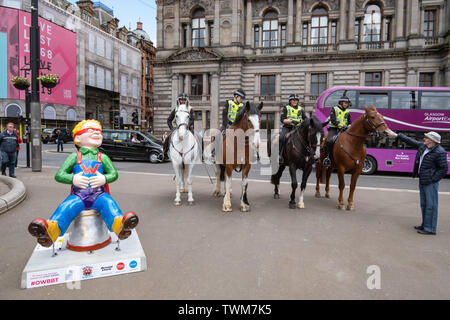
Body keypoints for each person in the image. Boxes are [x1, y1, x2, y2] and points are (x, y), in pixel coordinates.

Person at [28, 120, 139, 247]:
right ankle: (49, 232)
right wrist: (73, 179)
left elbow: (114, 174)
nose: (97, 133)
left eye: (99, 132)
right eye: (91, 131)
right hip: (78, 196)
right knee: (65, 208)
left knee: (110, 204)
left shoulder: (103, 157)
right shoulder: (74, 157)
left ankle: (121, 227)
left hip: (99, 195)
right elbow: (59, 175)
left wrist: (104, 179)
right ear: (78, 137)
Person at [386, 129, 448, 235]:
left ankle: (430, 229)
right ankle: (425, 224)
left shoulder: (439, 152)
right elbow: (410, 141)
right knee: (424, 204)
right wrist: (396, 135)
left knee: (431, 205)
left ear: (432, 140)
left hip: (430, 182)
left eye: (427, 138)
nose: (424, 139)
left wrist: (433, 179)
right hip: (423, 180)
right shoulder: (424, 146)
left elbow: (443, 169)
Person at [323, 95, 352, 167]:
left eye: (347, 103)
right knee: (329, 141)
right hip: (334, 129)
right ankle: (327, 158)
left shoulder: (347, 112)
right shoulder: (334, 109)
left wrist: (349, 126)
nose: (346, 104)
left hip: (344, 130)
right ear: (341, 103)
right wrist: (340, 125)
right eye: (344, 103)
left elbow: (349, 122)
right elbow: (333, 120)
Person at [162, 93, 194, 158]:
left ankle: (201, 155)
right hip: (177, 128)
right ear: (179, 101)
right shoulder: (176, 109)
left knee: (198, 138)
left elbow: (192, 119)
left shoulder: (190, 108)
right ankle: (164, 153)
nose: (182, 101)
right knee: (167, 138)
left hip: (188, 128)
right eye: (181, 100)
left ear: (186, 100)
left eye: (184, 100)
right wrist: (172, 128)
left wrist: (188, 125)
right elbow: (169, 120)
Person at [279, 94, 307, 164]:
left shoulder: (300, 109)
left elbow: (305, 118)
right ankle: (280, 155)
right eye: (293, 100)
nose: (295, 101)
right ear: (290, 101)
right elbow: (282, 120)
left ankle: (308, 156)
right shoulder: (286, 108)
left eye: (296, 100)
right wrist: (291, 121)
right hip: (288, 127)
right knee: (282, 138)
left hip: (298, 128)